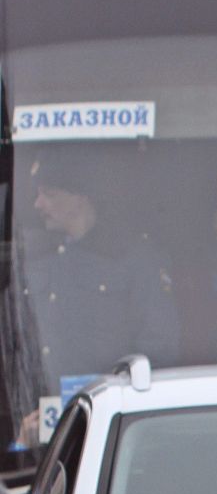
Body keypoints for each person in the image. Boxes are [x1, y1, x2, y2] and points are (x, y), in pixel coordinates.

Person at [20, 152, 179, 417]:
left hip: (111, 421)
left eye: (49, 193)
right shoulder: (34, 257)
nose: (38, 204)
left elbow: (159, 348)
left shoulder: (134, 258)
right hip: (39, 420)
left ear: (79, 196)